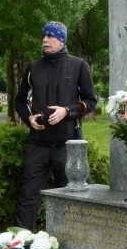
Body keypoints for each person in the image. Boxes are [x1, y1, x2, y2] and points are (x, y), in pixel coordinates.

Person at [13, 21, 97, 230]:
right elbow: (19, 101)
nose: (45, 40)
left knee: (70, 198)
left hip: (67, 144)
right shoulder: (33, 67)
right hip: (38, 144)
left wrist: (67, 111)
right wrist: (28, 118)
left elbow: (90, 101)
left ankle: (72, 247)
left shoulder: (78, 65)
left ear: (61, 41)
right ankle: (21, 243)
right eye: (44, 36)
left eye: (50, 36)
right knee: (27, 197)